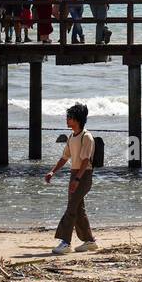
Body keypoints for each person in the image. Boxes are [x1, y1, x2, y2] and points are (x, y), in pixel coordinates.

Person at [45, 103, 98, 255]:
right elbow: (64, 157)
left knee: (71, 209)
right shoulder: (71, 137)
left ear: (77, 119)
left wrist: (77, 180)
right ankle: (89, 241)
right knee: (78, 210)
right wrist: (52, 172)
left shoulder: (86, 137)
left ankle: (65, 242)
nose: (67, 119)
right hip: (74, 174)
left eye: (70, 117)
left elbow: (86, 161)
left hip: (83, 175)